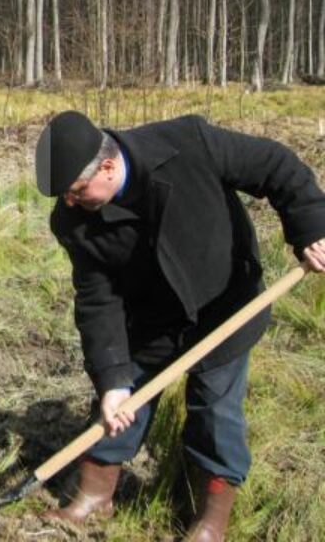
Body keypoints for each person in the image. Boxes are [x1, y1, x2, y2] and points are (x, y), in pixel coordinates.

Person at [34, 111, 325, 542]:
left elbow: (275, 166)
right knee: (119, 403)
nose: (70, 202)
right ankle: (95, 496)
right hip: (149, 319)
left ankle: (210, 521)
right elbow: (98, 300)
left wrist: (312, 229)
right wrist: (111, 380)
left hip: (225, 306)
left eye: (76, 190)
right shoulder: (71, 221)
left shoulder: (189, 144)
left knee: (216, 412)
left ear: (108, 167)